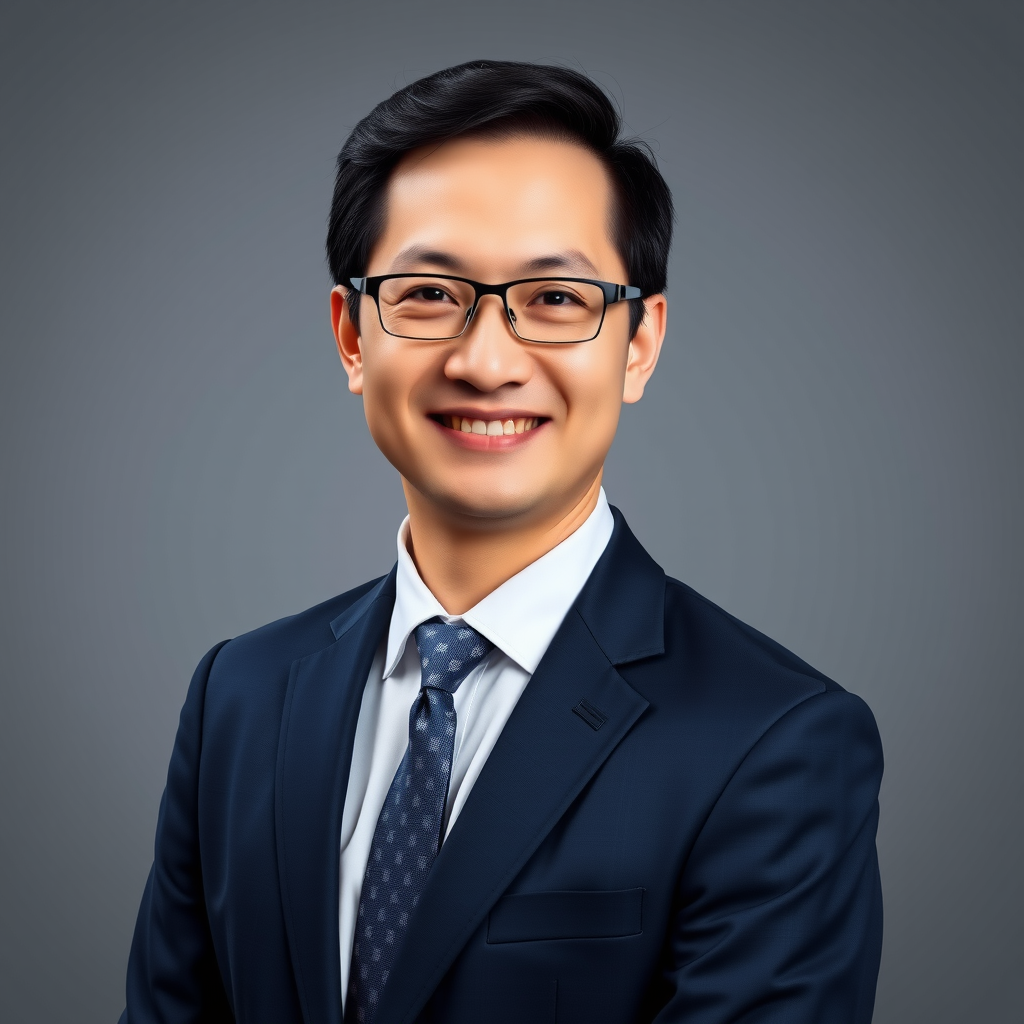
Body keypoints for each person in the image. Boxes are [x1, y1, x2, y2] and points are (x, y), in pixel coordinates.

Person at [120, 60, 883, 1024]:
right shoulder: (239, 695)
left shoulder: (777, 741)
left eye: (556, 300)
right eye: (429, 293)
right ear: (353, 336)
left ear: (638, 342)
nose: (485, 361)